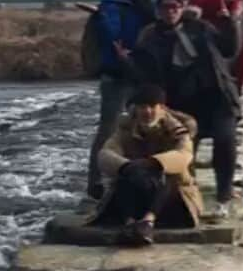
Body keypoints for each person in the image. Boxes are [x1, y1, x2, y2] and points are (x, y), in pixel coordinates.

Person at [134, 0, 241, 219]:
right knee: (185, 150)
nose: (170, 11)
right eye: (164, 7)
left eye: (174, 6)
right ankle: (188, 197)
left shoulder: (200, 28)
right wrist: (125, 61)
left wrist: (228, 20)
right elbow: (145, 74)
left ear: (182, 8)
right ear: (158, 11)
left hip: (217, 97)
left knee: (225, 142)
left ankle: (224, 195)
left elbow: (229, 49)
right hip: (183, 103)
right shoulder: (151, 37)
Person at [86, 84, 203, 246]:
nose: (147, 112)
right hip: (137, 188)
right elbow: (105, 154)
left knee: (166, 174)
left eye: (152, 107)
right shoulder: (125, 128)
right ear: (136, 109)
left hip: (173, 200)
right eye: (142, 107)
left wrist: (153, 163)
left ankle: (148, 221)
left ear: (162, 108)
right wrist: (127, 166)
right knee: (125, 174)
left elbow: (184, 155)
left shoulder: (178, 130)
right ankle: (131, 223)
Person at [87, 0, 156, 200]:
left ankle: (130, 180)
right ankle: (96, 183)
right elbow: (116, 37)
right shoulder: (115, 6)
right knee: (110, 130)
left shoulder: (132, 3)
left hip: (134, 75)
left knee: (135, 128)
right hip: (119, 77)